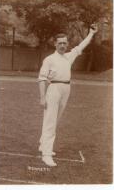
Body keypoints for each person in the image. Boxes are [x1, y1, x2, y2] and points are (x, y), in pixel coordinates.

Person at [38, 24, 98, 166]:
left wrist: (91, 33)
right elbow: (41, 78)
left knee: (55, 120)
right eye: (60, 43)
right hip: (53, 89)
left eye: (65, 43)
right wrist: (42, 97)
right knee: (50, 122)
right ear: (55, 44)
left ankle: (42, 144)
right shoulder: (49, 59)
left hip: (66, 89)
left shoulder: (69, 56)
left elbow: (81, 46)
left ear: (67, 44)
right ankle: (46, 154)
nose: (63, 45)